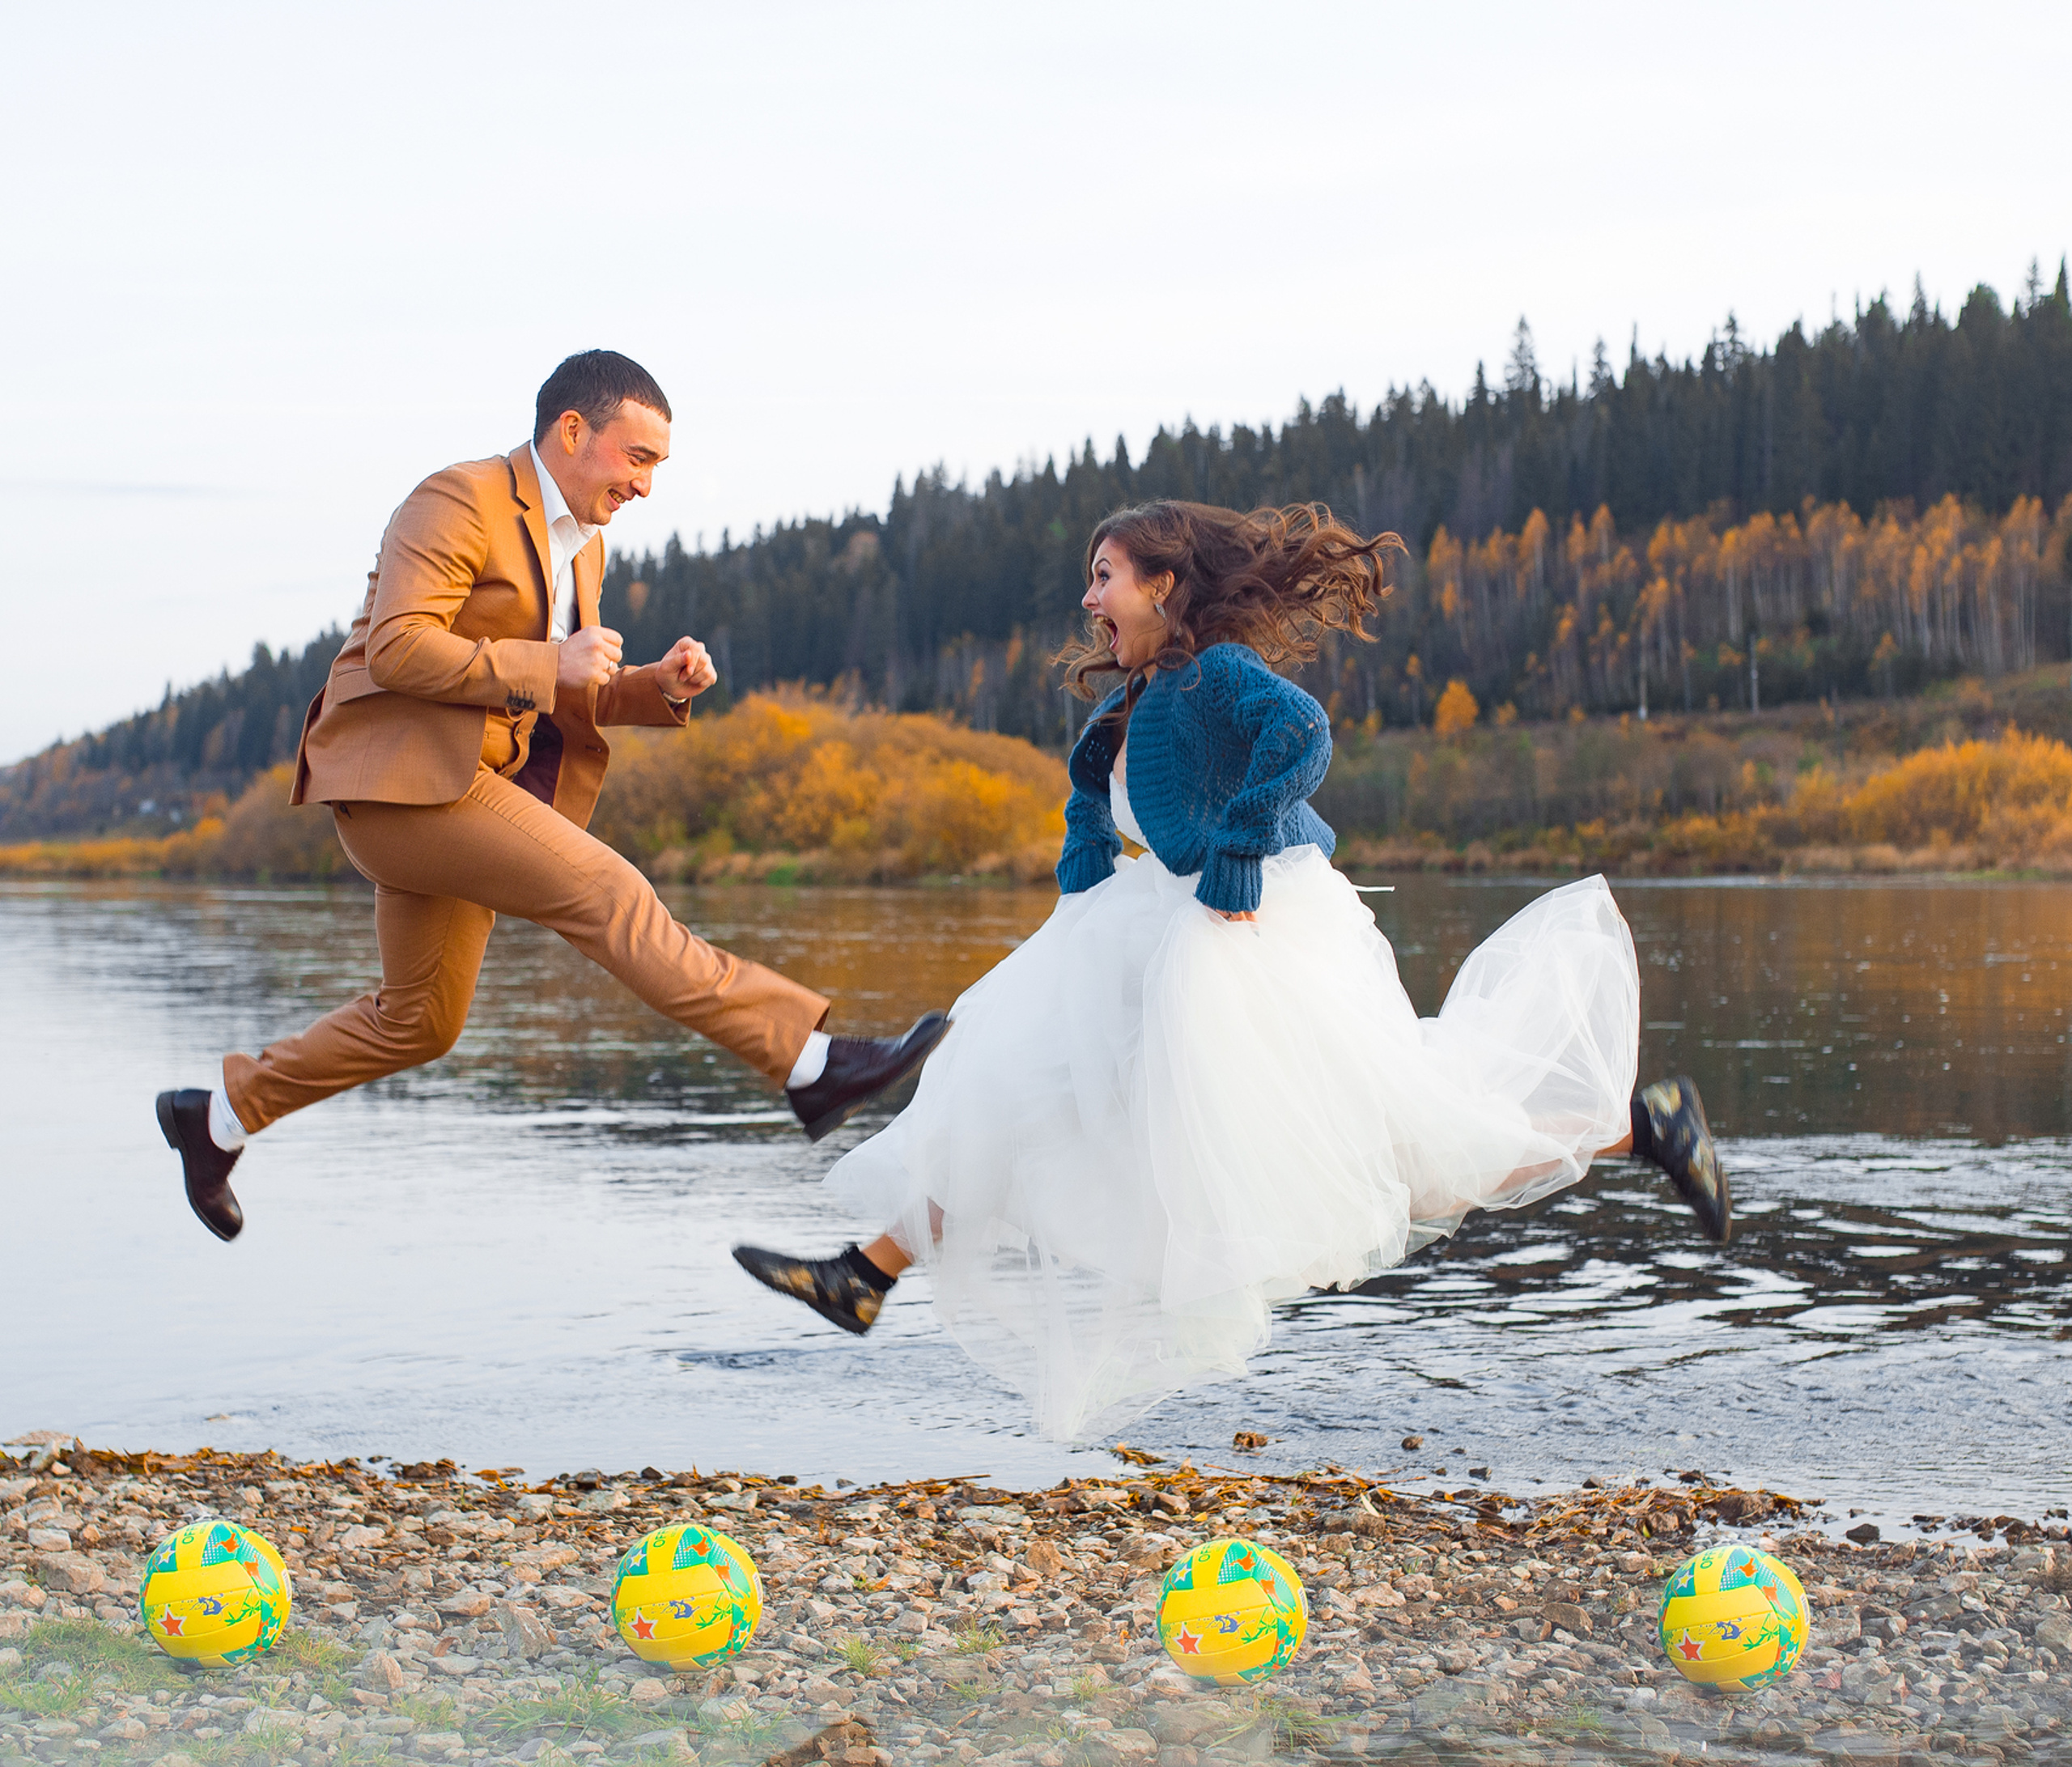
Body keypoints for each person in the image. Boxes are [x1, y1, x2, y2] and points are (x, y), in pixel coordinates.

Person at [732, 499, 1730, 1440]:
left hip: (1254, 933)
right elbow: (1105, 793)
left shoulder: (1213, 675)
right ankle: (869, 1272)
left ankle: (1636, 1127)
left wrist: (1241, 842)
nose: (1089, 599)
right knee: (1011, 1081)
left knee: (1412, 1165)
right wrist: (1084, 852)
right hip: (1171, 927)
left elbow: (1302, 733)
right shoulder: (1140, 694)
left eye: (1105, 575)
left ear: (1164, 585)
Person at [158, 350, 946, 1240]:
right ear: (573, 430)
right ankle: (810, 1062)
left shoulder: (582, 545)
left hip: (465, 786)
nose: (648, 485)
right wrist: (549, 662)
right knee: (610, 894)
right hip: (403, 788)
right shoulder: (457, 499)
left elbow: (569, 686)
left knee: (420, 1021)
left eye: (659, 467)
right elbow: (398, 648)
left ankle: (219, 1115)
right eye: (638, 457)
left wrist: (660, 685)